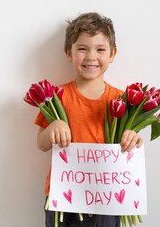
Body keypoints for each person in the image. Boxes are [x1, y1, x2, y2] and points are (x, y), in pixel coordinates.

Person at [34, 12, 143, 227]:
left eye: (100, 49)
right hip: (63, 199)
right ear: (69, 53)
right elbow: (41, 144)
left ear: (112, 54)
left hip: (107, 199)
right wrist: (54, 126)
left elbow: (133, 147)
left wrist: (133, 137)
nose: (91, 57)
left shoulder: (123, 100)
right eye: (82, 49)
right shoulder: (56, 97)